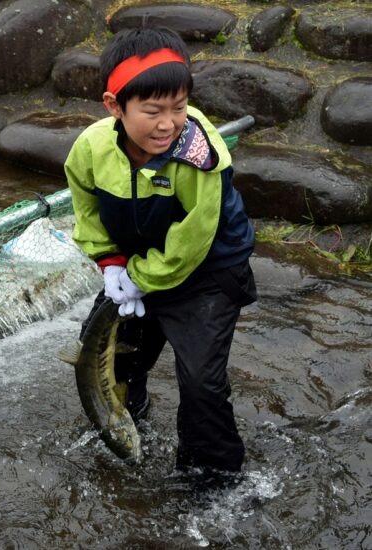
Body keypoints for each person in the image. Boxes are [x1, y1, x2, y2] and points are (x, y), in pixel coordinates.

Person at [64, 27, 256, 475]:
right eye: (152, 110)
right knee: (115, 364)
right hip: (135, 266)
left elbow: (195, 236)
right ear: (115, 105)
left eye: (178, 107)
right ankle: (131, 418)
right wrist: (109, 262)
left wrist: (141, 279)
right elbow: (86, 207)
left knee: (202, 387)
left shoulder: (197, 152)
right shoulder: (91, 147)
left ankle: (211, 476)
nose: (168, 123)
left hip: (206, 272)